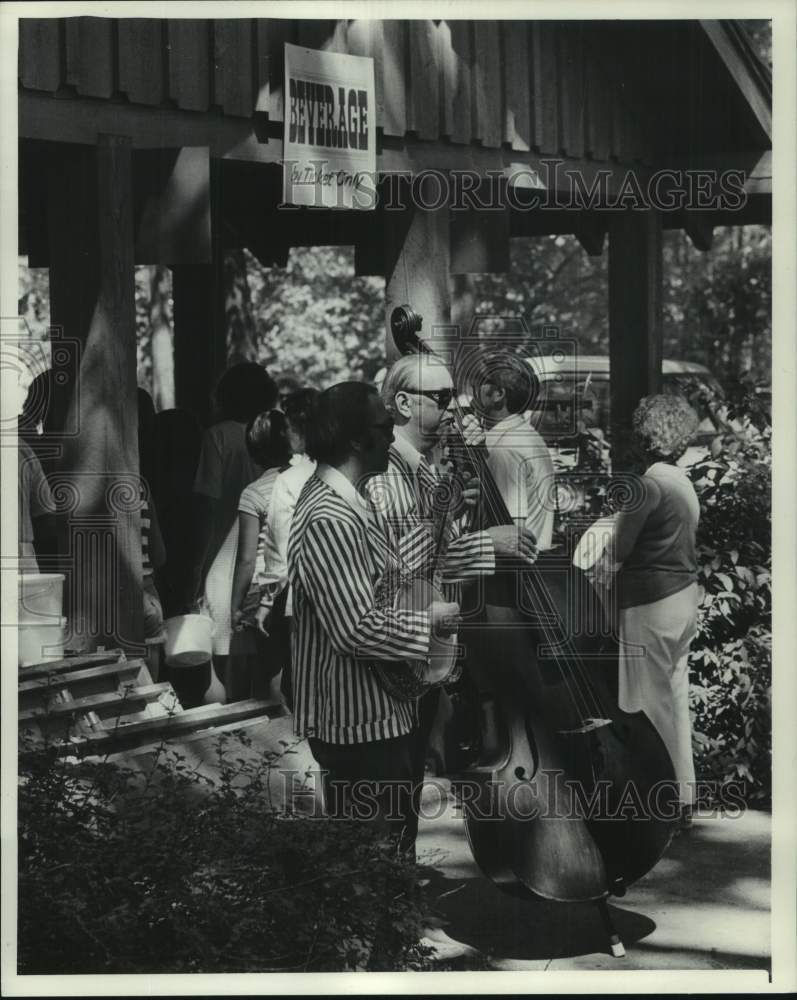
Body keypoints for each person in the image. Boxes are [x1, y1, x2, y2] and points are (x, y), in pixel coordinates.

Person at [288, 381, 460, 854]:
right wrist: (436, 625)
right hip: (355, 725)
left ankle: (393, 929)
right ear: (355, 439)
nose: (392, 437)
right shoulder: (329, 515)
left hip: (380, 715)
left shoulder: (352, 502)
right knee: (368, 859)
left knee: (388, 853)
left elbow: (392, 583)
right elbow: (355, 628)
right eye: (384, 428)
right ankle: (375, 931)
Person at [374, 353, 539, 829]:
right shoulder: (387, 475)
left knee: (404, 794)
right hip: (398, 648)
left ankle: (399, 890)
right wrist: (488, 542)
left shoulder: (426, 469)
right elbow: (401, 571)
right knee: (392, 795)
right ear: (403, 403)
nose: (454, 409)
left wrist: (456, 517)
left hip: (426, 647)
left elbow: (433, 559)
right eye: (442, 398)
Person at [612, 394, 701, 825]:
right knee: (673, 699)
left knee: (646, 704)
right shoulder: (682, 483)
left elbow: (619, 549)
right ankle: (682, 797)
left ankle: (657, 804)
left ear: (644, 437)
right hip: (683, 597)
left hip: (650, 601)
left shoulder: (645, 486)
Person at [190, 363, 278, 701]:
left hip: (222, 561)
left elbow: (206, 507)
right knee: (261, 665)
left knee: (220, 664)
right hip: (263, 560)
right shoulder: (273, 435)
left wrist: (195, 568)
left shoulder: (219, 436)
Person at [260, 387, 320, 708]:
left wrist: (268, 601)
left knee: (303, 684)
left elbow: (278, 550)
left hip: (303, 598)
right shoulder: (348, 470)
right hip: (351, 593)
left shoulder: (289, 480)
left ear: (295, 431)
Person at [229, 409, 292, 701]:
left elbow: (246, 558)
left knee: (269, 672)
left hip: (264, 588)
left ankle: (277, 735)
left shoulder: (253, 493)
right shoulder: (304, 481)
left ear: (253, 451)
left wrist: (235, 605)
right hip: (298, 584)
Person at [471, 351, 556, 551]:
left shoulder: (505, 448)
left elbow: (510, 532)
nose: (474, 389)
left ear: (498, 394)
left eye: (480, 382)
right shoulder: (526, 435)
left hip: (512, 574)